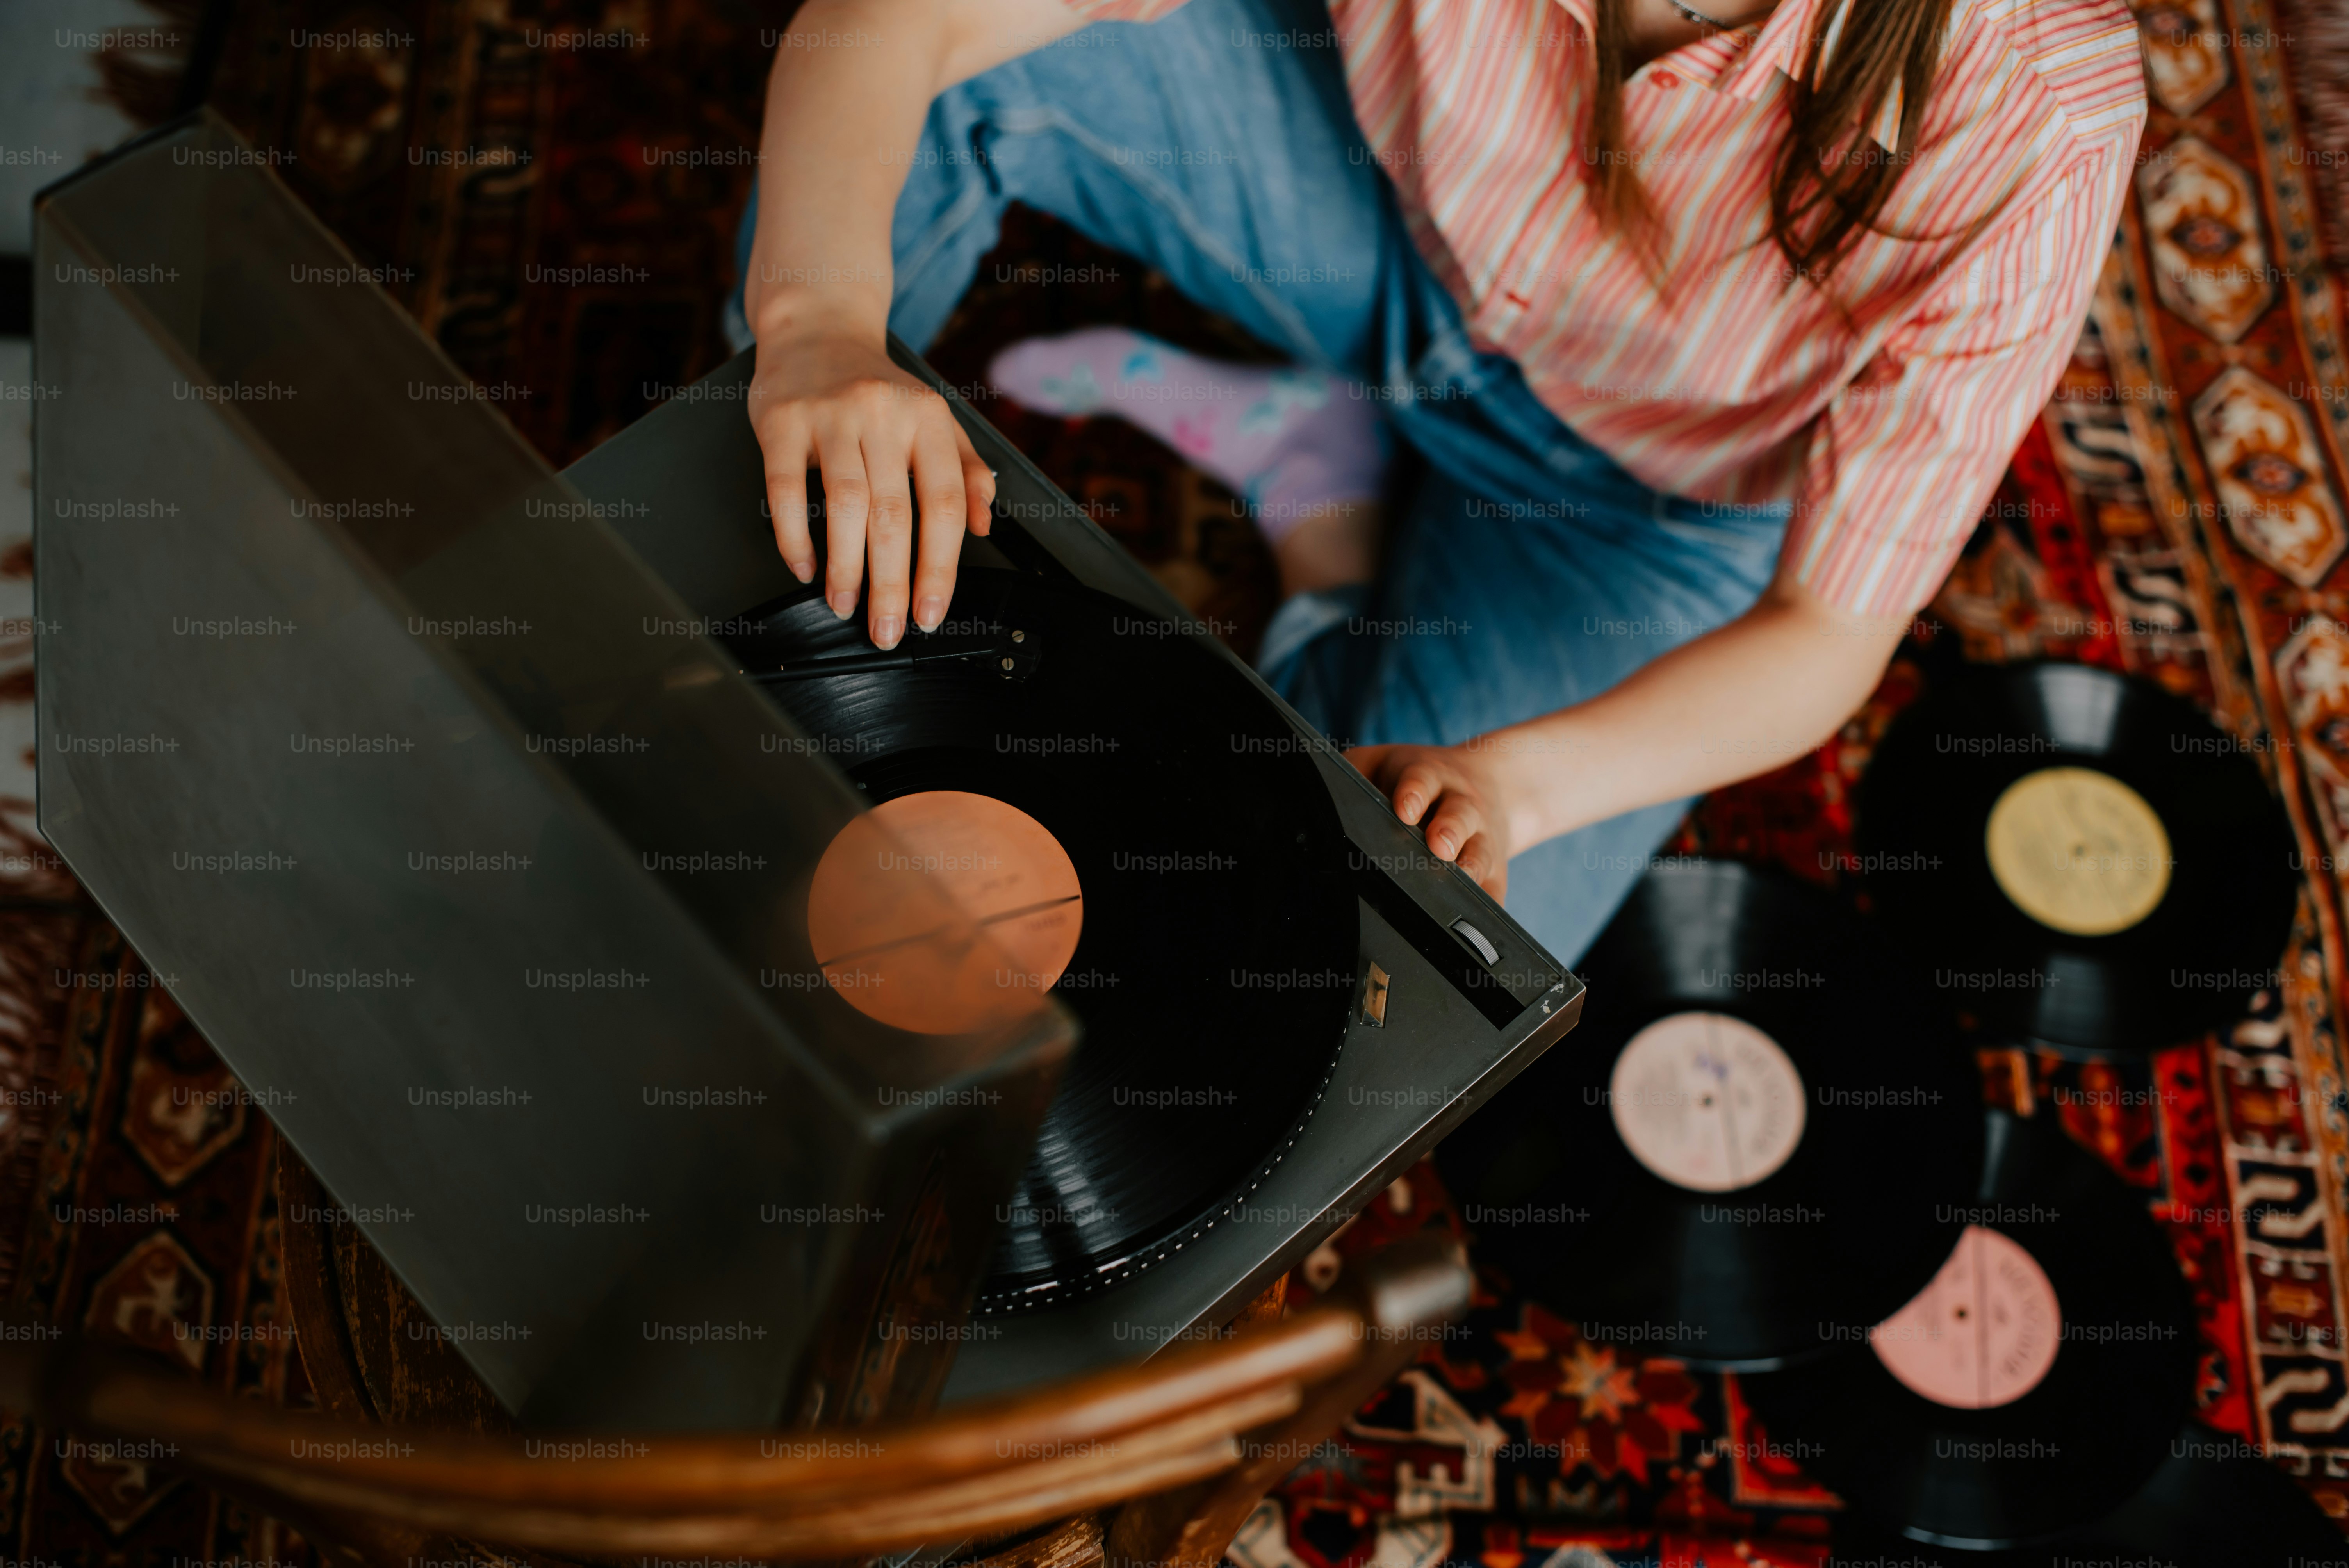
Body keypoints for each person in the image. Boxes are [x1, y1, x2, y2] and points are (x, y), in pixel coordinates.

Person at [728, 0, 2146, 963]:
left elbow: (1827, 636)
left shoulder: (2045, 114)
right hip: (1385, 221)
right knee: (949, 105)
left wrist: (1507, 790)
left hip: (1642, 516)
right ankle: (720, 530)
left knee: (1365, 964)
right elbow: (907, 16)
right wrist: (818, 330)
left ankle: (1324, 520)